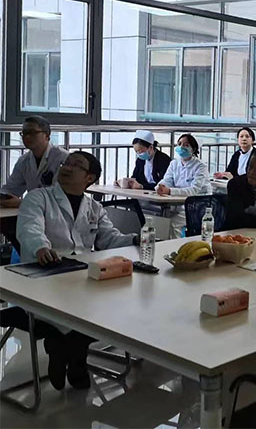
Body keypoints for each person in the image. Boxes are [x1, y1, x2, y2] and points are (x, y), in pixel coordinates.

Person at [17, 151, 138, 390]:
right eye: (66, 163)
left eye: (76, 165)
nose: (67, 167)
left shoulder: (94, 207)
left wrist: (135, 240)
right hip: (44, 274)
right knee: (75, 313)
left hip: (80, 275)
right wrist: (40, 247)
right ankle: (72, 357)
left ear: (89, 178)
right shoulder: (39, 197)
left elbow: (109, 239)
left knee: (112, 308)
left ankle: (63, 350)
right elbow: (30, 228)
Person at [1, 115, 68, 207]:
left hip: (58, 211)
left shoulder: (63, 158)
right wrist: (4, 197)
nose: (27, 137)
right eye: (24, 133)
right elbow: (11, 189)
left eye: (32, 132)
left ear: (47, 135)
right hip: (34, 210)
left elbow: (59, 198)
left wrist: (22, 203)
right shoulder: (24, 161)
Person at [156, 134, 211, 238]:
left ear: (193, 149)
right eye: (179, 144)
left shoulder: (200, 166)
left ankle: (175, 246)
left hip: (197, 205)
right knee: (159, 219)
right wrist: (160, 187)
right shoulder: (174, 163)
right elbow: (167, 179)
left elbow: (194, 190)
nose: (181, 147)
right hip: (178, 204)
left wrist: (170, 191)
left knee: (173, 223)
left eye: (186, 145)